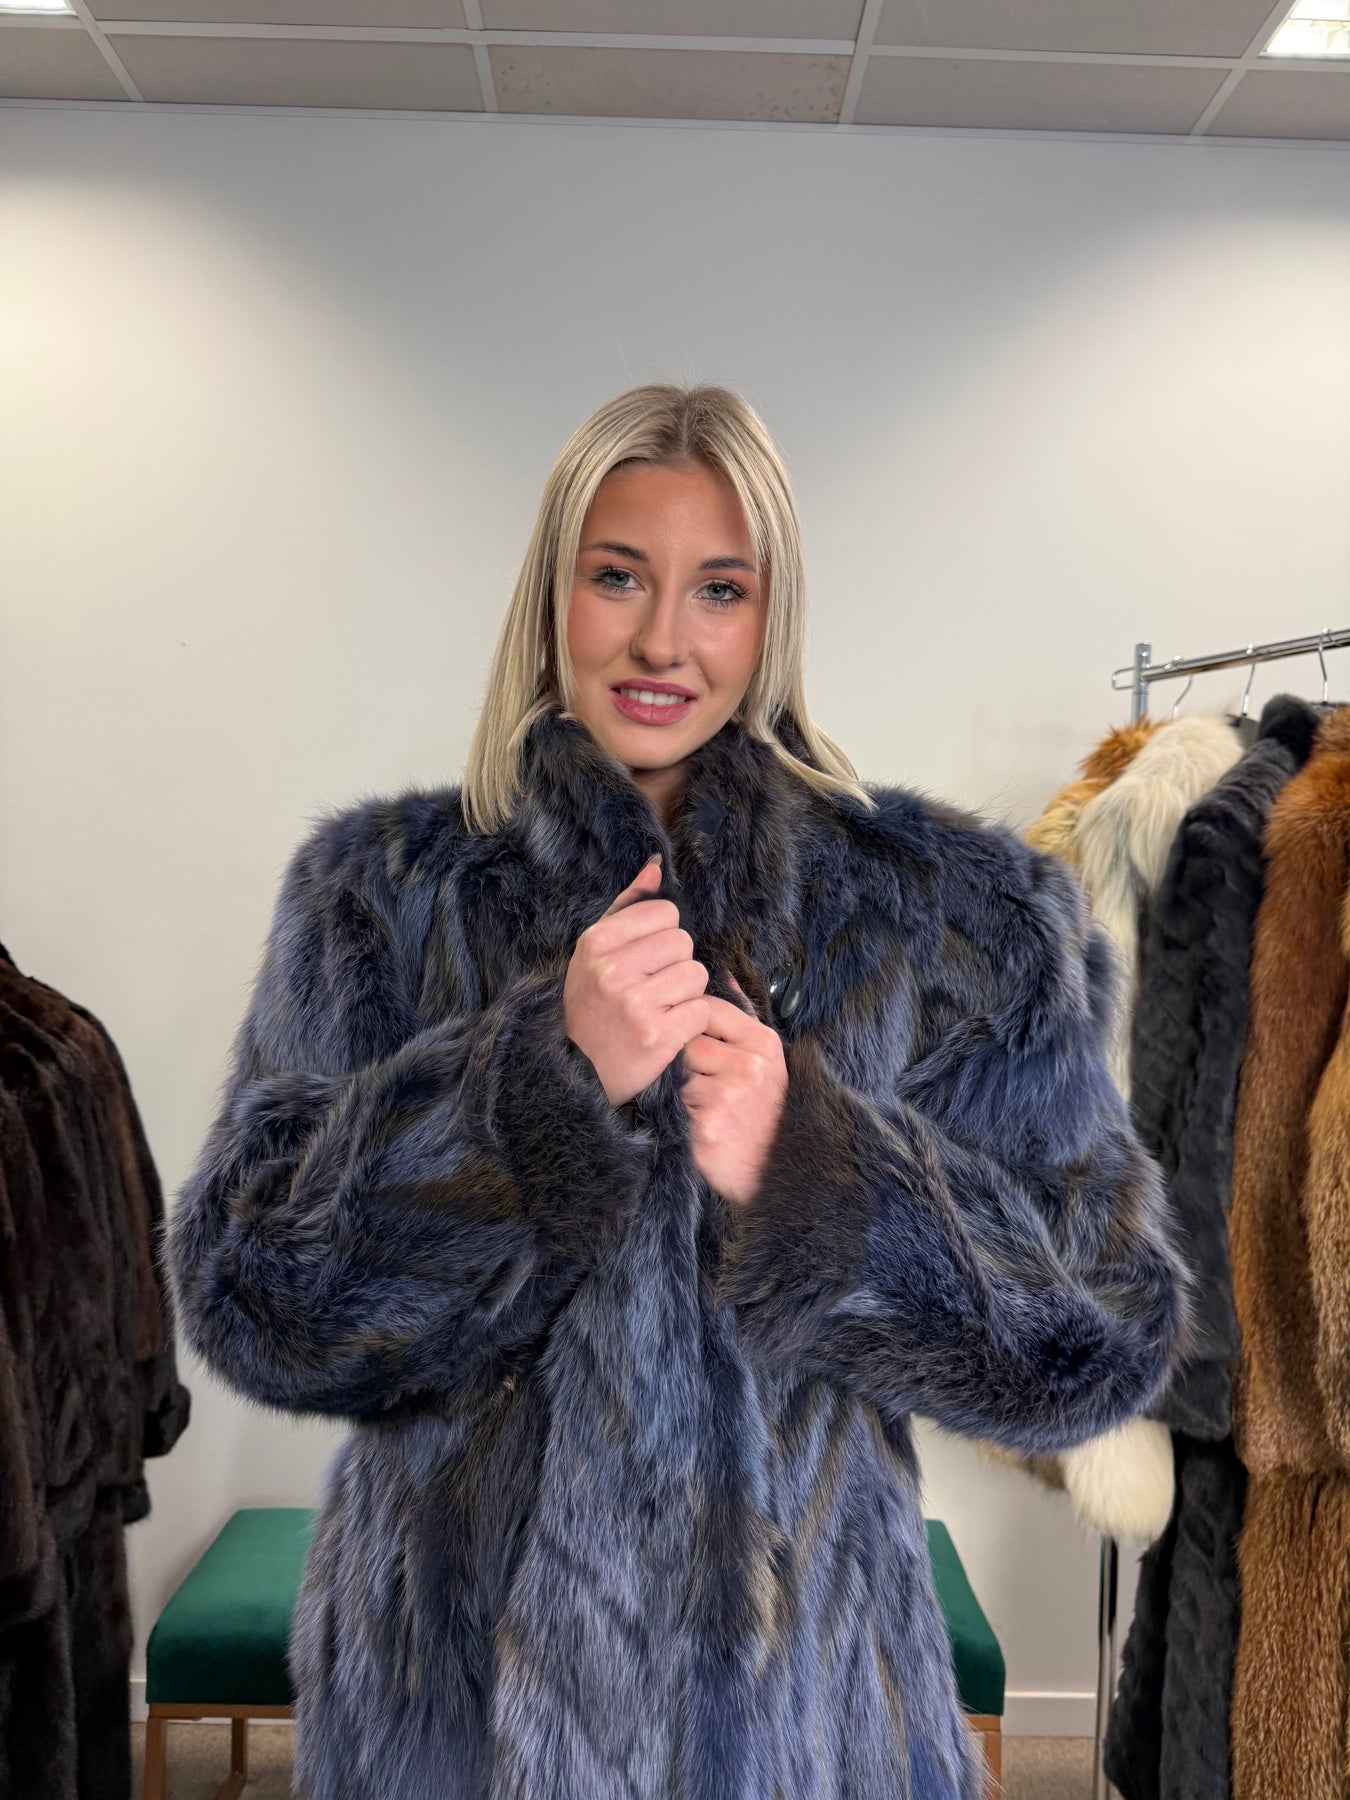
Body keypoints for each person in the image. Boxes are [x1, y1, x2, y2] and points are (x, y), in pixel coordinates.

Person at [167, 382, 1193, 1799]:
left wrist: (825, 1177)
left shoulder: (952, 915)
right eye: (616, 577)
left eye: (719, 589)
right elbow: (254, 1302)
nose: (662, 639)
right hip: (452, 1722)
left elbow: (1102, 1331)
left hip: (803, 1724)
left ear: (771, 618)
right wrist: (529, 1096)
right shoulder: (380, 897)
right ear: (551, 596)